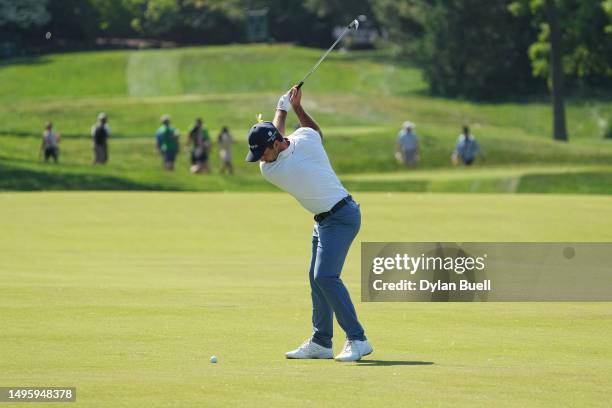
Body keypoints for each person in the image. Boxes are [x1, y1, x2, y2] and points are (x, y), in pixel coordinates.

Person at [245, 86, 372, 362]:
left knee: (325, 277)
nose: (260, 160)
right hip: (324, 221)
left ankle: (357, 339)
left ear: (276, 144)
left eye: (262, 153)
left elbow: (284, 131)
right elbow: (313, 133)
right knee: (316, 279)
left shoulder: (278, 165)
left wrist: (283, 109)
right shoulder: (291, 150)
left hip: (342, 217)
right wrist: (293, 108)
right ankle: (321, 342)